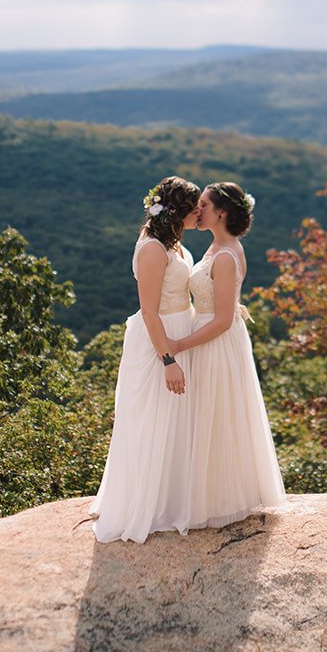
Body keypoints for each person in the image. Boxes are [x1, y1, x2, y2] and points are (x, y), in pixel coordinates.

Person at [87, 176, 203, 543]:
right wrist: (167, 359)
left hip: (180, 332)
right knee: (152, 419)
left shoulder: (175, 244)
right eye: (195, 206)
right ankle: (146, 505)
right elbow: (150, 312)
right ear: (178, 211)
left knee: (176, 421)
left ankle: (171, 498)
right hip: (158, 340)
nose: (201, 212)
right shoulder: (152, 249)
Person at [167, 181, 287, 528]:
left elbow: (220, 321)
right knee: (207, 417)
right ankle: (202, 495)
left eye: (203, 204)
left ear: (221, 213)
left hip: (215, 343)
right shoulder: (217, 247)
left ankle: (216, 502)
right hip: (208, 338)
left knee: (215, 417)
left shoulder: (225, 256)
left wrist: (176, 346)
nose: (197, 209)